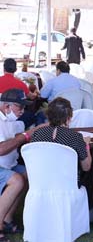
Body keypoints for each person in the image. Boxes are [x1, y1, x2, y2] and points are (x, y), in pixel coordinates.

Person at [31, 98, 92, 186]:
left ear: (48, 115)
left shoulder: (37, 133)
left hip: (41, 184)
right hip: (68, 186)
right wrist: (86, 144)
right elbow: (86, 167)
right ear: (68, 118)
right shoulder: (75, 137)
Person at [0, 89, 36, 238]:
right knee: (17, 180)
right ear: (6, 106)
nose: (22, 111)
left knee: (31, 174)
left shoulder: (13, 121)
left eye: (24, 107)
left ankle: (7, 219)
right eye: (19, 107)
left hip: (9, 164)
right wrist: (24, 136)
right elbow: (1, 149)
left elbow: (17, 138)